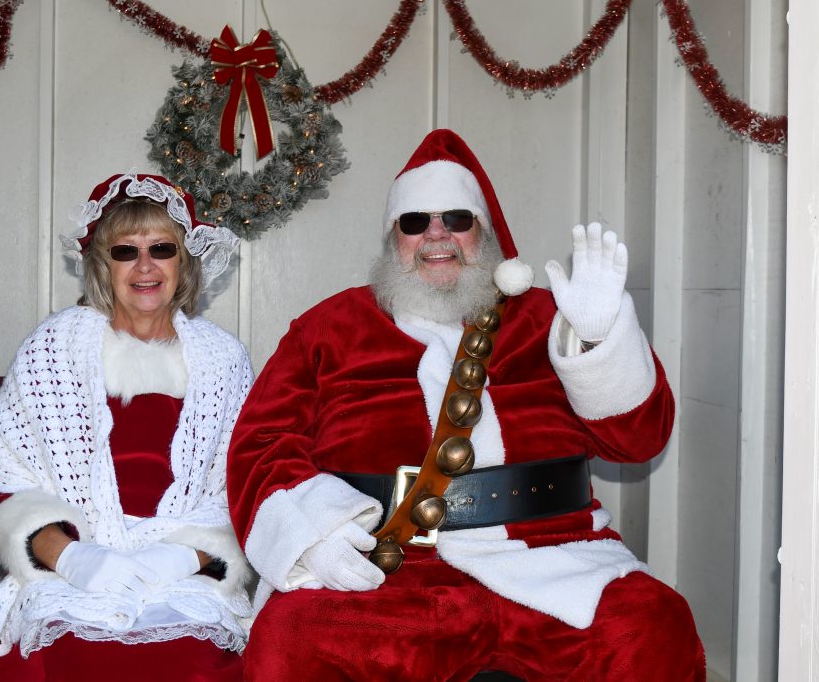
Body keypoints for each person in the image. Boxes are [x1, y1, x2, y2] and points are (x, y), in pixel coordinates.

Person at [226, 129, 705, 680]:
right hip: (392, 566)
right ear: (393, 240)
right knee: (293, 636)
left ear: (484, 232)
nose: (437, 235)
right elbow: (261, 445)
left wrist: (598, 344)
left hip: (556, 553)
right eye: (414, 222)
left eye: (457, 219)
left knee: (653, 625)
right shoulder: (328, 330)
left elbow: (637, 441)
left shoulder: (550, 319)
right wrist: (316, 536)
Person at [0, 173, 254, 681]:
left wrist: (178, 560)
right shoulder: (54, 348)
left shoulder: (223, 359)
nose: (146, 265)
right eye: (125, 251)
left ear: (186, 259)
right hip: (73, 567)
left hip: (183, 571)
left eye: (162, 248)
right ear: (101, 265)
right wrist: (74, 561)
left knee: (192, 663)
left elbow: (245, 487)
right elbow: (0, 482)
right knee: (73, 656)